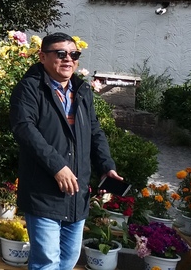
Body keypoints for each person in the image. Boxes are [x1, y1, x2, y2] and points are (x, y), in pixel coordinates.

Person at [10, 32, 121, 270]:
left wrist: (106, 166)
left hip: (76, 195)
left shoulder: (82, 91)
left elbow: (94, 132)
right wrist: (57, 167)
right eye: (60, 54)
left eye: (74, 54)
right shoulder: (29, 89)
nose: (68, 59)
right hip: (43, 193)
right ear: (42, 57)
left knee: (68, 261)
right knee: (47, 262)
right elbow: (24, 130)